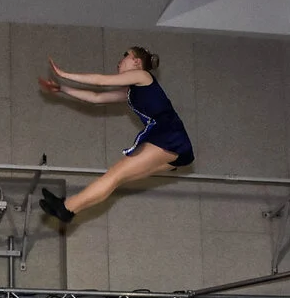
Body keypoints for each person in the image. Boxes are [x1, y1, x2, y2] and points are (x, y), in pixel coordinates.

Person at [37, 47, 194, 223]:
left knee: (114, 175)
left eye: (126, 55)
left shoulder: (143, 76)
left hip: (168, 136)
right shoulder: (131, 92)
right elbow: (96, 97)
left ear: (137, 62)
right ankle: (69, 208)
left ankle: (66, 208)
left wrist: (64, 74)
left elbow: (100, 81)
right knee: (115, 179)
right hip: (175, 145)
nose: (120, 60)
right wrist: (62, 88)